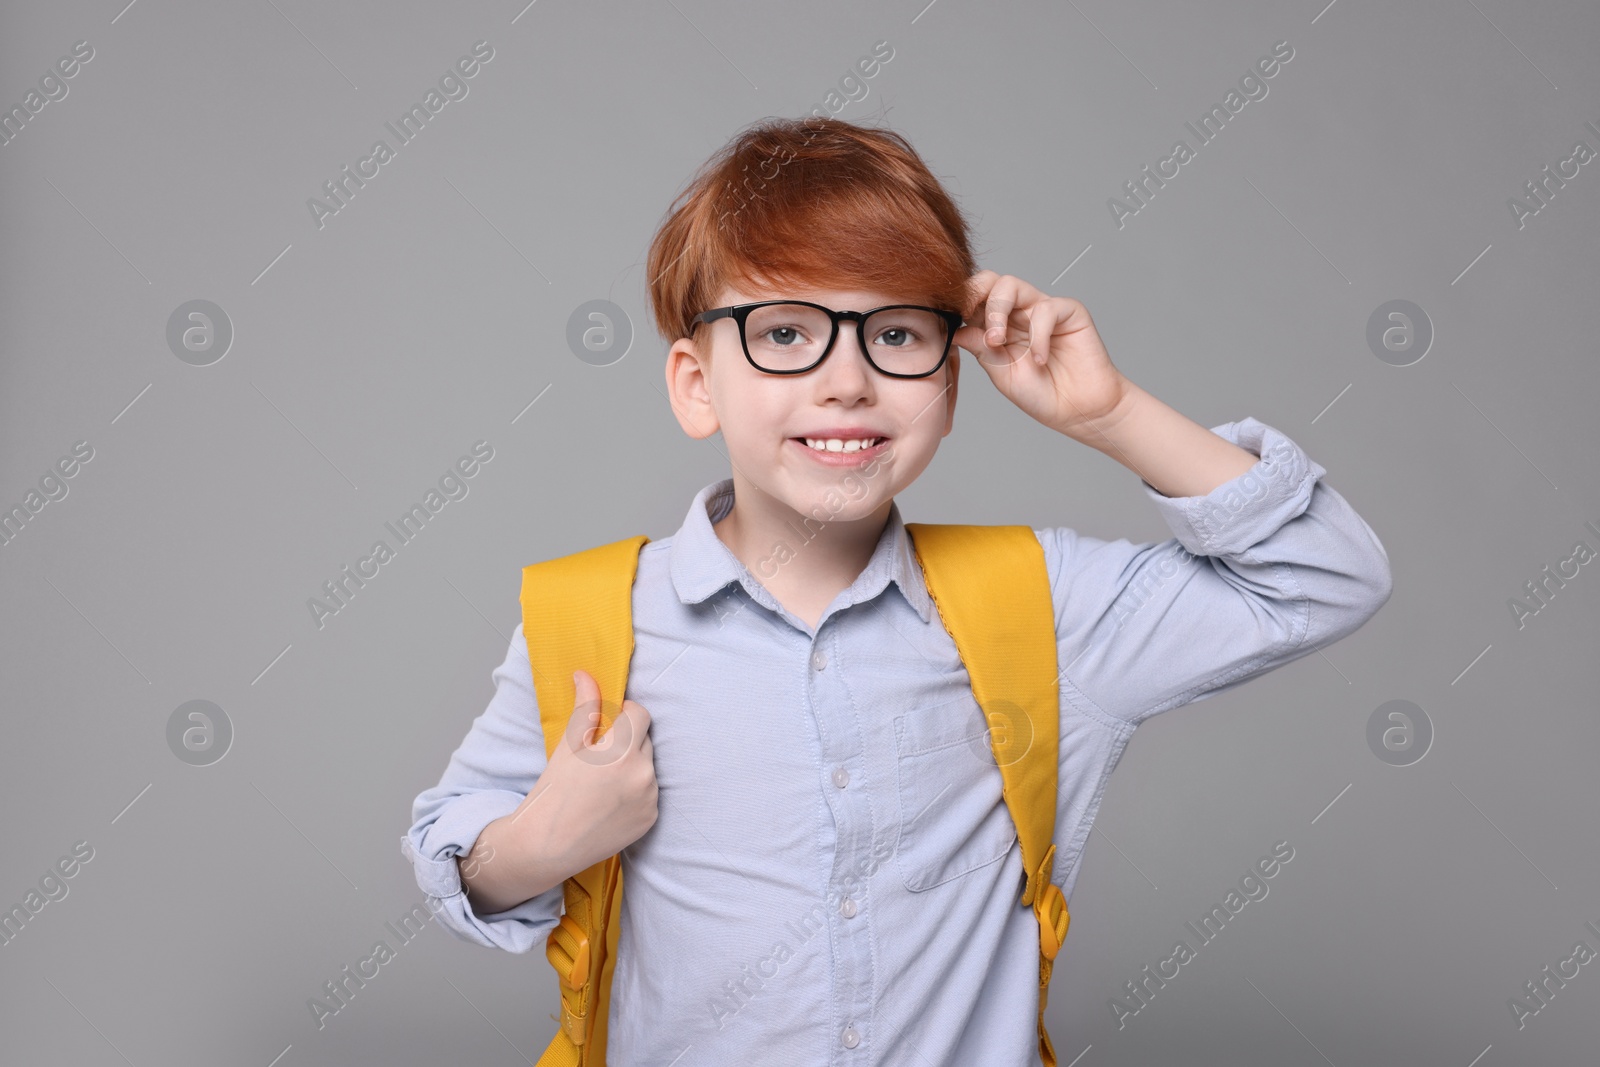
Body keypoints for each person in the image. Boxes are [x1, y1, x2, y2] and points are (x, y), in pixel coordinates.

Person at [401, 115, 1392, 1065]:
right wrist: (536, 843)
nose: (846, 379)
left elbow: (1326, 575)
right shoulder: (592, 621)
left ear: (949, 385)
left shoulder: (1043, 610)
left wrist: (1111, 413)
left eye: (897, 335)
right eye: (784, 334)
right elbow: (454, 845)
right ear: (696, 383)